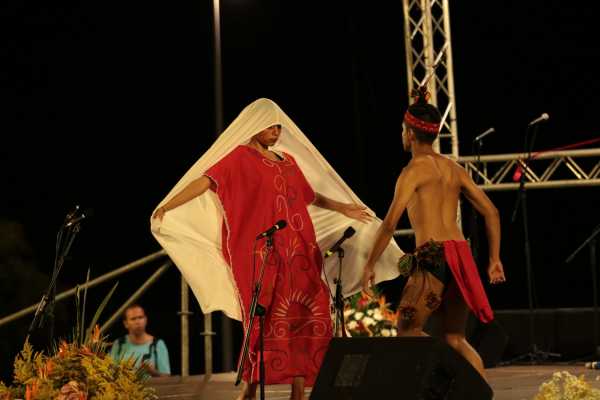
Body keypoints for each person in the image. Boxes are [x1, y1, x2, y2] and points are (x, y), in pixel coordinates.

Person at [150, 98, 404, 400]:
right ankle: (251, 386)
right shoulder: (237, 159)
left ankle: (299, 389)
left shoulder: (288, 161)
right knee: (263, 317)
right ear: (255, 126)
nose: (276, 131)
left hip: (299, 251)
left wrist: (343, 207)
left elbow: (309, 196)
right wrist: (168, 205)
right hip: (261, 253)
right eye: (270, 126)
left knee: (303, 314)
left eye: (279, 127)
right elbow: (206, 182)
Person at [361, 89, 506, 380]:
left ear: (410, 134)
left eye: (402, 130)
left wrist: (369, 264)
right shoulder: (454, 169)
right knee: (455, 337)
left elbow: (389, 224)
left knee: (407, 331)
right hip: (460, 256)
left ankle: (442, 376)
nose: (402, 135)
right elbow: (492, 212)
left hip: (433, 256)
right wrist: (494, 259)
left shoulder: (412, 171)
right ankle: (481, 393)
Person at [110, 304, 171, 377]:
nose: (137, 322)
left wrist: (153, 372)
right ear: (126, 323)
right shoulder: (119, 344)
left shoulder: (157, 344)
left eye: (140, 317)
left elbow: (167, 377)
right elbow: (110, 372)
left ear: (146, 319)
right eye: (133, 319)